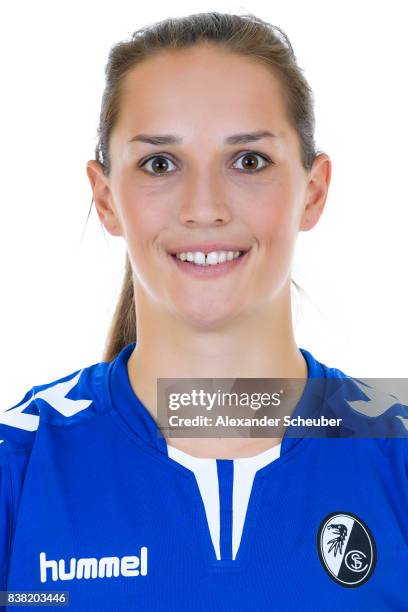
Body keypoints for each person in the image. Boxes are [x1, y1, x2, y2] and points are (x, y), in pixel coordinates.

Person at [1, 11, 407, 611]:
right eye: (160, 164)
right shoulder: (19, 465)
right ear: (105, 197)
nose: (204, 207)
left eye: (248, 161)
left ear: (313, 191)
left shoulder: (394, 455)